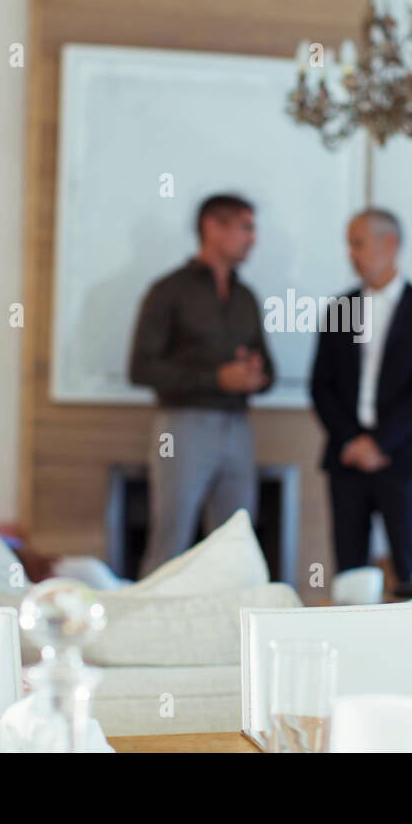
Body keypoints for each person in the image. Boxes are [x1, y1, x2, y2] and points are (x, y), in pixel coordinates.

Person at [128, 193, 274, 578]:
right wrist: (216, 379)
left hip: (238, 427)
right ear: (213, 227)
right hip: (183, 426)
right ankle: (151, 632)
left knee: (235, 541)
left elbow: (268, 368)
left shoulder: (245, 297)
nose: (252, 239)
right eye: (245, 228)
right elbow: (140, 368)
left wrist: (255, 375)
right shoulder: (168, 290)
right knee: (171, 539)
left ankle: (230, 630)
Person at [311, 209, 412, 597]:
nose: (350, 253)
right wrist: (352, 441)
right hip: (347, 457)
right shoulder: (340, 308)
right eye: (349, 244)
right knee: (348, 572)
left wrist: (381, 442)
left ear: (390, 244)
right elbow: (321, 386)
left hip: (404, 455)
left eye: (357, 243)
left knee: (411, 569)